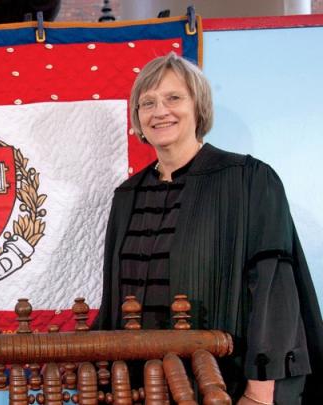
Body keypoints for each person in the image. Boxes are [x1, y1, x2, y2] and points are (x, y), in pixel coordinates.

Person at [94, 53, 323, 404]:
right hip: (140, 389)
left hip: (224, 385)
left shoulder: (250, 179)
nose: (160, 111)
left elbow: (274, 291)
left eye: (174, 98)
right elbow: (115, 301)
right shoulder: (126, 196)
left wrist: (259, 392)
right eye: (147, 103)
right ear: (137, 118)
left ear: (198, 106)